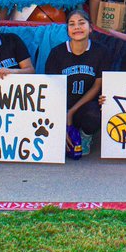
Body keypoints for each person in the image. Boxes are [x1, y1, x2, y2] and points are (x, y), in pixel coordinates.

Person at [44, 9, 108, 157]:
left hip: (84, 107)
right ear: (67, 30)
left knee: (95, 113)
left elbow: (97, 85)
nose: (77, 27)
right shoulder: (57, 53)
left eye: (81, 23)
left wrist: (71, 113)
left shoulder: (101, 51)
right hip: (61, 106)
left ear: (90, 28)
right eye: (72, 24)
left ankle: (85, 136)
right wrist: (62, 118)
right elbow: (51, 87)